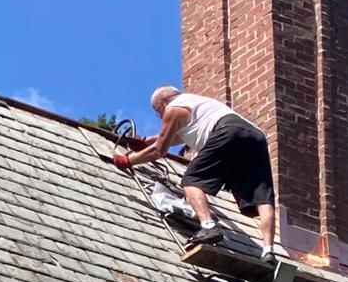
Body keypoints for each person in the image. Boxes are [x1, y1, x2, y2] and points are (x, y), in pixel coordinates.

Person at [114, 87, 277, 263]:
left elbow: (159, 150)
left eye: (157, 111)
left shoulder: (173, 109)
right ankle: (268, 251)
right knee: (263, 199)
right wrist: (146, 142)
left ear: (164, 102)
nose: (160, 116)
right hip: (255, 136)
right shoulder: (196, 103)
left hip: (227, 131)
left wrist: (128, 160)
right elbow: (178, 136)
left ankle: (208, 226)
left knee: (192, 181)